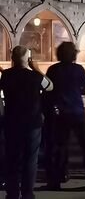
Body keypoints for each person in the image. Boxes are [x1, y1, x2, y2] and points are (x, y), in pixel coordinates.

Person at [0, 45, 53, 199]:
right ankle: (28, 193)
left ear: (12, 59)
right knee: (31, 159)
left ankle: (13, 193)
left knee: (12, 159)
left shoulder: (6, 75)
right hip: (33, 123)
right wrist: (36, 69)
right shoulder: (35, 76)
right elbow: (50, 86)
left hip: (12, 123)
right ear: (28, 59)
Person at [46, 42, 85, 189]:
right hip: (77, 112)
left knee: (61, 146)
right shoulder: (78, 69)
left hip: (61, 113)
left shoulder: (53, 70)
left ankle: (58, 178)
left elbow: (48, 90)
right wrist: (76, 90)